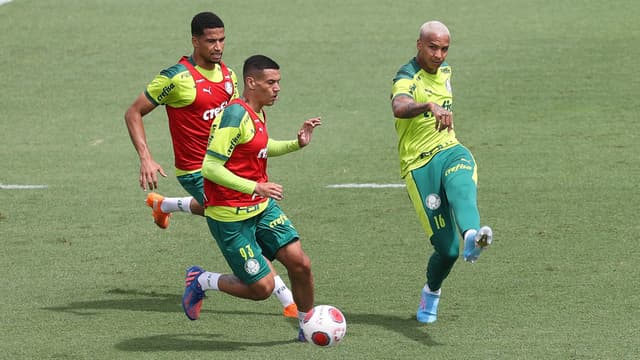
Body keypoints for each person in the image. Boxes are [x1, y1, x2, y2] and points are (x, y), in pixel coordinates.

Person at [124, 12, 297, 318]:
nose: (218, 46)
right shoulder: (177, 78)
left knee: (235, 214)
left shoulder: (230, 76)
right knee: (240, 220)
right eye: (210, 40)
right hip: (197, 170)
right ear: (195, 41)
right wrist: (146, 157)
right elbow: (134, 112)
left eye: (222, 39)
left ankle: (164, 206)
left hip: (229, 168)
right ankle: (286, 300)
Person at [181, 55, 321, 342]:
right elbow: (210, 167)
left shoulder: (257, 112)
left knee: (300, 263)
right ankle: (201, 280)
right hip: (230, 216)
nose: (277, 88)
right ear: (251, 82)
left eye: (278, 82)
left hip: (260, 208)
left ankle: (307, 326)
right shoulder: (235, 115)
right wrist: (255, 187)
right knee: (262, 289)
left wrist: (296, 144)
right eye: (271, 82)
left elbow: (258, 146)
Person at [390, 21, 493, 324]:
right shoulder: (406, 76)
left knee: (462, 187)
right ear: (419, 44)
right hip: (419, 165)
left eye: (444, 48)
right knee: (447, 251)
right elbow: (399, 105)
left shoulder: (446, 71)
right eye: (433, 47)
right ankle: (431, 292)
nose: (439, 54)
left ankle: (473, 235)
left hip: (450, 150)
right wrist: (428, 106)